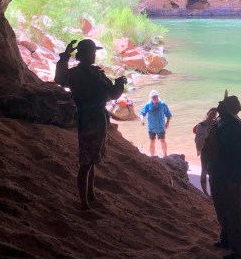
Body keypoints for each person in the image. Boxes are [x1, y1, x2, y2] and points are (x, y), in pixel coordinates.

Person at [54, 39, 127, 210]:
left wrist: (65, 57)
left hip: (93, 118)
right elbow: (112, 94)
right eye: (92, 52)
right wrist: (119, 85)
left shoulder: (79, 74)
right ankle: (84, 202)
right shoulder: (92, 74)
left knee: (91, 160)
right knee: (86, 162)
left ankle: (90, 195)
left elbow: (60, 79)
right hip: (90, 119)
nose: (94, 55)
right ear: (85, 54)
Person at [206, 91, 241, 259]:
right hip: (217, 172)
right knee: (221, 209)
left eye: (222, 104)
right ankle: (226, 239)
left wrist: (235, 180)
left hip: (228, 177)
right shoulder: (221, 123)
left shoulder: (235, 129)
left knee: (233, 212)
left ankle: (238, 249)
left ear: (227, 109)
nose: (218, 105)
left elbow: (239, 158)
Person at [139, 90, 172, 157]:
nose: (154, 98)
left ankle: (165, 155)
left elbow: (169, 115)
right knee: (152, 141)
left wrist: (167, 123)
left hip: (161, 127)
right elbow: (142, 113)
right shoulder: (148, 105)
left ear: (158, 96)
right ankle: (152, 156)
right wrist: (142, 120)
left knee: (162, 140)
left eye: (155, 96)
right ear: (151, 98)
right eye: (153, 97)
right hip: (151, 127)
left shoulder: (163, 104)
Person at [193, 107, 218, 195]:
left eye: (214, 115)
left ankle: (212, 193)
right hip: (204, 150)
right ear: (207, 113)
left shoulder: (216, 125)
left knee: (212, 173)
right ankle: (205, 192)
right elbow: (197, 140)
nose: (212, 116)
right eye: (211, 114)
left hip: (214, 151)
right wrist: (206, 134)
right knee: (204, 171)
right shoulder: (201, 125)